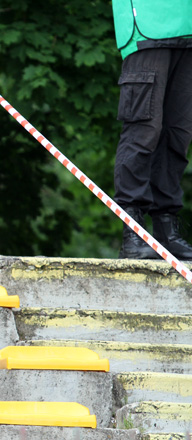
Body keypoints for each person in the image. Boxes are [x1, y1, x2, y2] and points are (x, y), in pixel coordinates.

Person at [112, 0, 192, 260]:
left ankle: (167, 231)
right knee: (144, 130)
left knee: (177, 135)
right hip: (147, 27)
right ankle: (133, 230)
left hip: (188, 32)